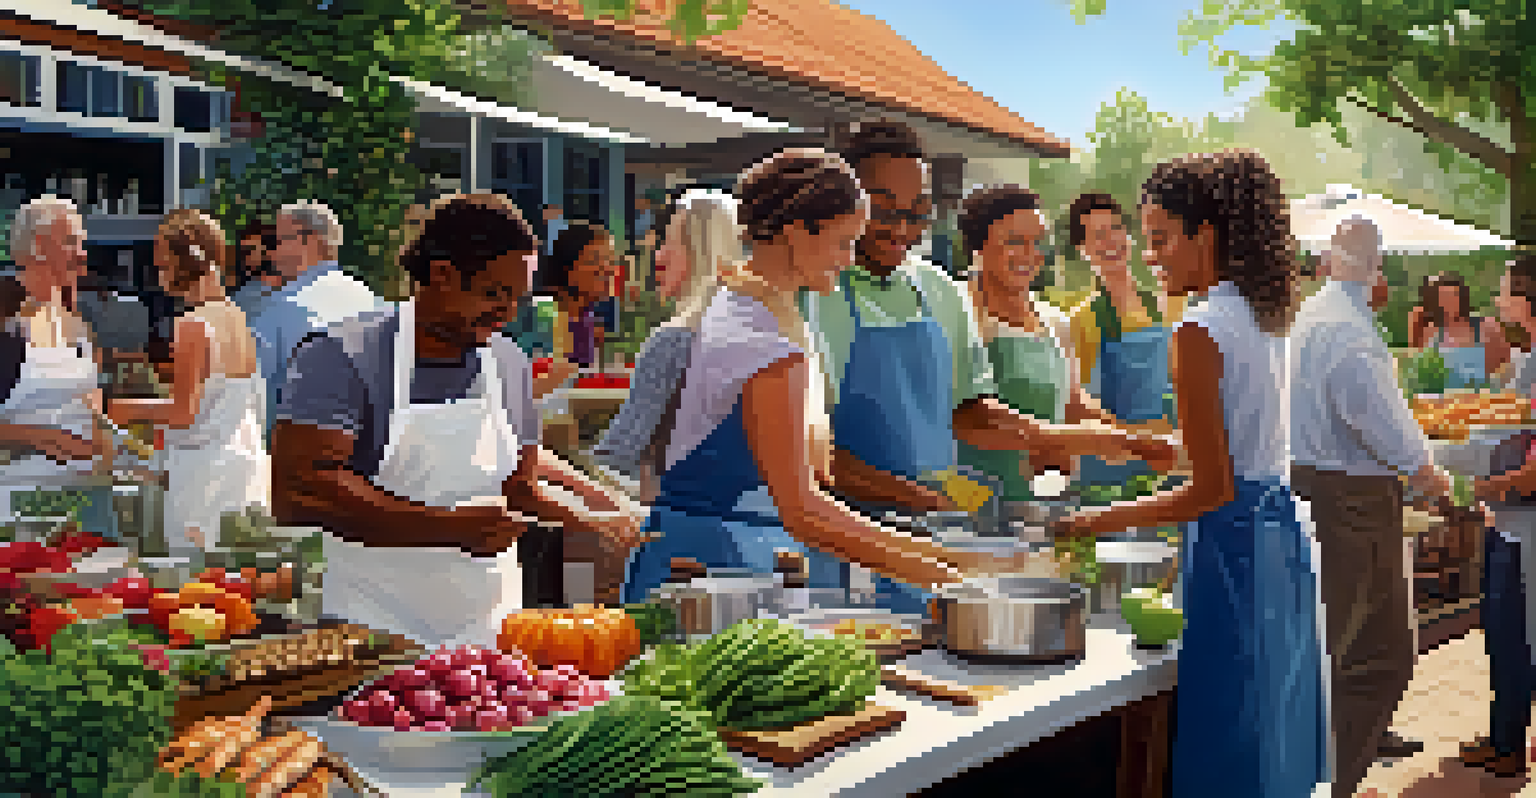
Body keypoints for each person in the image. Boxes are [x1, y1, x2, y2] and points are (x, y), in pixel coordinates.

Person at [622, 149, 1054, 605]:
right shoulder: (761, 339)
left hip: (724, 567)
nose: (850, 260)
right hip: (709, 581)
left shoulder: (752, 307)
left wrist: (953, 561)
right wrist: (956, 575)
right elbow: (804, 511)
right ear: (794, 232)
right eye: (843, 241)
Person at [805, 121, 1175, 614]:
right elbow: (813, 452)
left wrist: (1092, 439)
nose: (901, 228)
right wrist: (919, 497)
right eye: (883, 209)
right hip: (847, 545)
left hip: (943, 538)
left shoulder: (937, 293)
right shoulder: (812, 296)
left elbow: (973, 413)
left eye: (917, 213)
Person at [1052, 150, 1326, 798]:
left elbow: (1212, 488)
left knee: (1227, 740)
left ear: (1206, 234)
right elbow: (1243, 449)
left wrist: (1100, 521)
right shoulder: (1264, 317)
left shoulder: (1199, 330)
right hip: (1279, 540)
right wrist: (1156, 448)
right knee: (1271, 735)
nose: (1152, 257)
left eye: (1160, 240)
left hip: (1232, 550)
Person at [272, 194, 642, 646]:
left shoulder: (507, 362)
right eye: (492, 293)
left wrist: (595, 518)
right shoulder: (341, 355)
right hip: (373, 629)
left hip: (493, 629)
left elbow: (519, 486)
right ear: (441, 276)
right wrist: (447, 527)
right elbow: (299, 492)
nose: (506, 313)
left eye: (515, 297)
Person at [1290, 215, 1456, 797]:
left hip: (1314, 488)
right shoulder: (1349, 331)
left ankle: (1323, 771)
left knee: (1336, 647)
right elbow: (1380, 425)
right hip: (1352, 500)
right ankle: (1331, 780)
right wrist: (1433, 475)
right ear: (1372, 272)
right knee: (1377, 656)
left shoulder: (1310, 317)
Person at [954, 186, 1181, 525]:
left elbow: (1073, 403)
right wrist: (1091, 440)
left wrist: (1143, 446)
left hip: (1039, 504)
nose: (1030, 254)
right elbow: (971, 416)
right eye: (1015, 241)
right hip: (964, 504)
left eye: (1038, 242)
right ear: (977, 247)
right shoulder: (958, 311)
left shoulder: (1054, 322)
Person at [107, 210, 270, 553]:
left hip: (203, 479)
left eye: (163, 264)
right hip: (246, 470)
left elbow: (184, 413)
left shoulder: (193, 323)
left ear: (187, 261)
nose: (159, 274)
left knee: (196, 589)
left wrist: (123, 408)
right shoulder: (237, 317)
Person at [592, 188, 742, 501]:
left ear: (702, 253)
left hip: (679, 521)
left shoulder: (675, 342)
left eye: (668, 243)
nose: (658, 256)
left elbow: (617, 458)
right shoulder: (763, 334)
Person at [1458, 253, 1536, 778]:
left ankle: (1509, 746)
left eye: (1505, 289)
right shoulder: (1528, 359)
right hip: (1508, 515)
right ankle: (1505, 735)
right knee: (1503, 629)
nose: (1498, 298)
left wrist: (1476, 487)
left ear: (1527, 297)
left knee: (1514, 631)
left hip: (1524, 518)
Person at [0, 197, 117, 537]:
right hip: (18, 510)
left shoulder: (77, 326)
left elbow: (94, 409)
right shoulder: (7, 323)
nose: (82, 254)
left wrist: (110, 453)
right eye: (71, 242)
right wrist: (41, 437)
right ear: (36, 247)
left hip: (88, 505)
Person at [1065, 193, 1182, 491]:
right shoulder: (1083, 320)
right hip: (1114, 465)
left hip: (1174, 459)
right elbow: (1081, 406)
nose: (1112, 242)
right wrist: (1139, 444)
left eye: (1117, 229)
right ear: (1082, 250)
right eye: (1099, 235)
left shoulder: (1170, 304)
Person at [244, 201, 384, 440]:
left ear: (309, 240)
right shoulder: (369, 298)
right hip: (369, 446)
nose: (270, 252)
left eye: (276, 241)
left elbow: (255, 396)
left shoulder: (285, 305)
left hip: (302, 447)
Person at [1418, 271, 1506, 388]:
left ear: (1463, 297)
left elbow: (1505, 365)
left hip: (1482, 399)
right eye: (1444, 297)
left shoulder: (1487, 325)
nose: (1451, 301)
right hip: (1446, 401)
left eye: (1455, 295)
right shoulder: (1431, 331)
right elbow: (1426, 371)